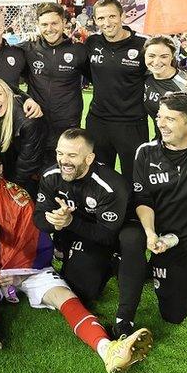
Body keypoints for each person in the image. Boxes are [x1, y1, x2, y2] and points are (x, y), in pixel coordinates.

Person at [0, 145, 152, 373]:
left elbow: (39, 243)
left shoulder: (18, 199)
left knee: (66, 297)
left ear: (1, 169)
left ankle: (109, 349)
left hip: (29, 268)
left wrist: (17, 274)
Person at [116, 92, 187, 335]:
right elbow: (143, 198)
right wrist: (149, 232)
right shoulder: (146, 153)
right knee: (173, 315)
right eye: (160, 116)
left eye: (170, 118)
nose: (160, 123)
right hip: (169, 240)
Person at [85, 0, 187, 179]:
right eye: (101, 18)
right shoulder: (92, 42)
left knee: (135, 178)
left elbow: (164, 68)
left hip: (131, 124)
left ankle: (135, 208)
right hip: (97, 122)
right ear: (95, 20)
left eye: (112, 16)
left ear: (122, 16)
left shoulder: (142, 44)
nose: (107, 22)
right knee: (98, 175)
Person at [34, 129, 128, 304]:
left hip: (102, 238)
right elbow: (39, 217)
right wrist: (55, 223)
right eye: (60, 153)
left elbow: (107, 235)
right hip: (70, 231)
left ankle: (114, 261)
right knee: (69, 288)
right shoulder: (50, 177)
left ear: (89, 159)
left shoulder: (111, 186)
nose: (64, 161)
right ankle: (64, 249)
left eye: (72, 155)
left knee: (81, 293)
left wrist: (70, 221)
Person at [19, 3, 89, 162]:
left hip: (67, 125)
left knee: (65, 172)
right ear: (37, 25)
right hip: (35, 124)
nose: (49, 29)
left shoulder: (79, 51)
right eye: (44, 24)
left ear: (64, 22)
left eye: (54, 23)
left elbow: (100, 78)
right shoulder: (27, 49)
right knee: (32, 173)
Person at [0, 77, 46, 194]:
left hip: (27, 179)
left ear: (8, 95)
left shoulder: (28, 121)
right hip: (7, 172)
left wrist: (8, 188)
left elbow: (26, 165)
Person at [142, 35, 187, 127]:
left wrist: (180, 125)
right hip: (162, 140)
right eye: (151, 56)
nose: (156, 62)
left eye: (164, 57)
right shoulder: (145, 76)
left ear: (172, 57)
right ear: (144, 56)